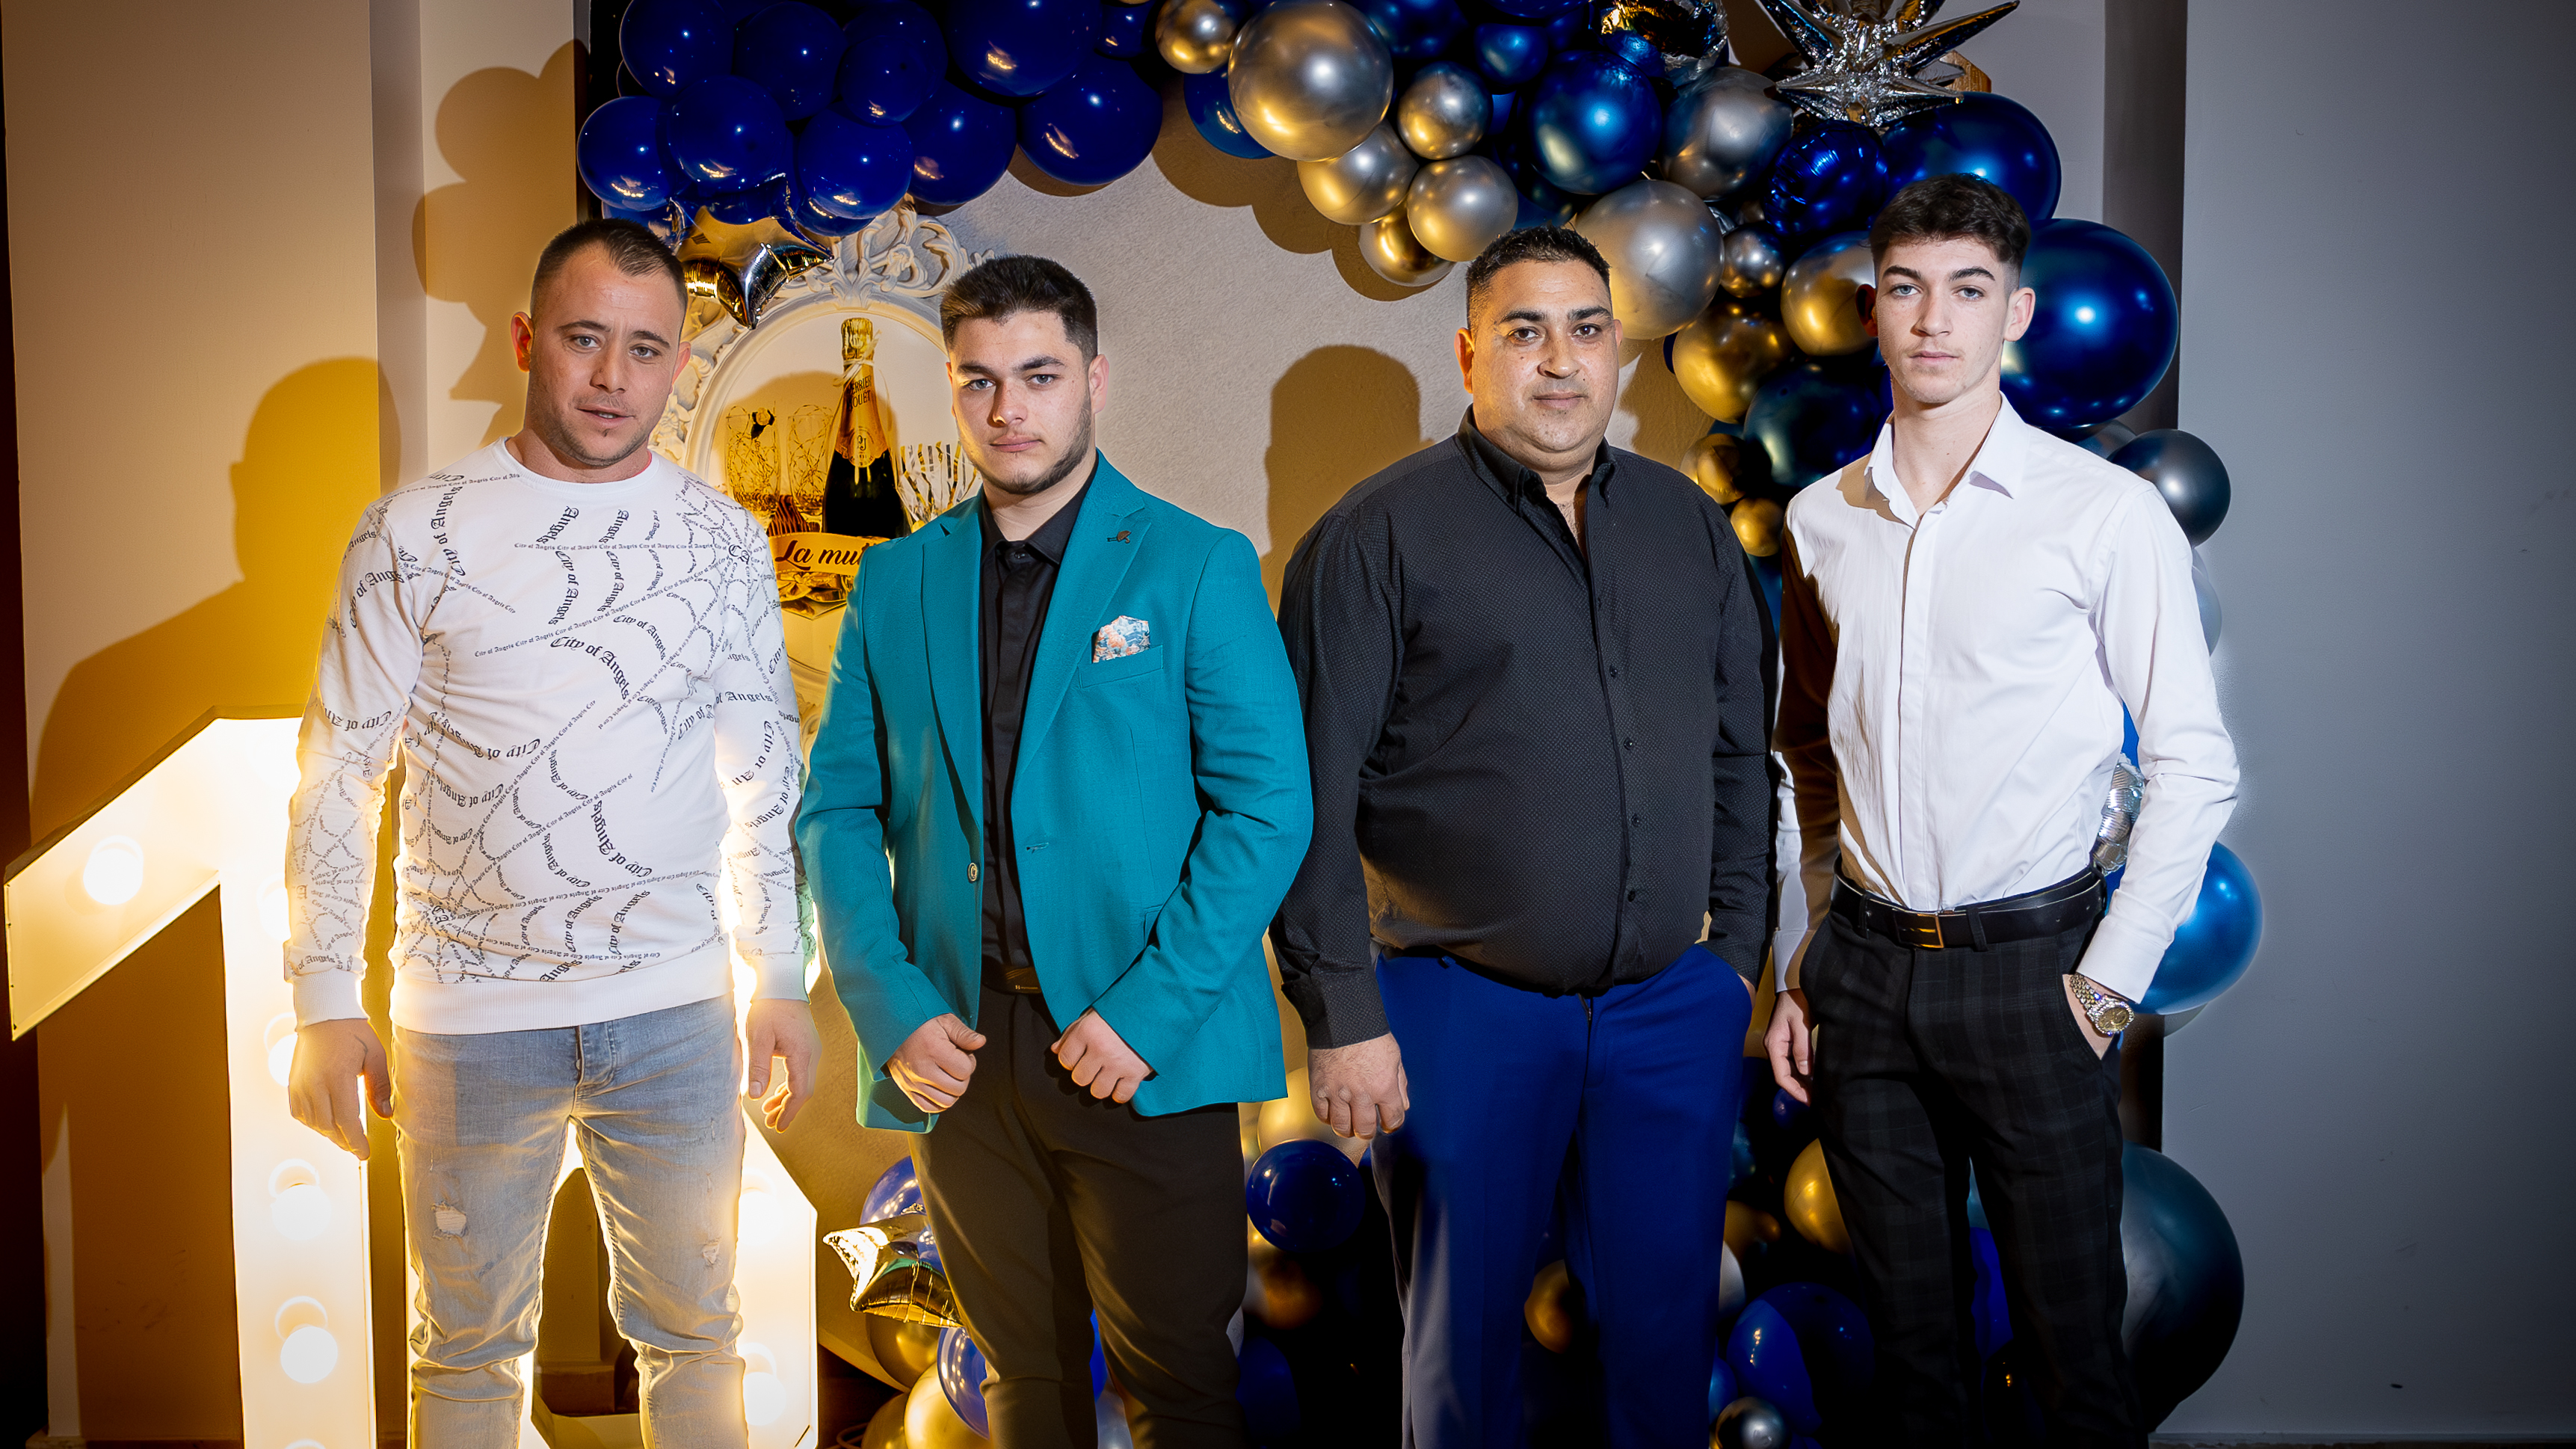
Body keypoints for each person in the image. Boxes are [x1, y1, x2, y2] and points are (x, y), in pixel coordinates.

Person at [282, 218, 820, 1442]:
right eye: (584, 339)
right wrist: (322, 996)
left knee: (698, 1334)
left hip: (677, 1011)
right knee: (466, 1351)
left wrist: (779, 976)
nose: (612, 377)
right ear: (528, 340)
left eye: (645, 348)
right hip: (466, 1019)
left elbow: (762, 771)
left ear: (679, 362)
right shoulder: (412, 530)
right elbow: (338, 772)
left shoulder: (724, 540)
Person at [796, 256, 1312, 1449]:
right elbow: (835, 812)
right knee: (1020, 1381)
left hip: (1139, 1047)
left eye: (1038, 375)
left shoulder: (1192, 563)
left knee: (1181, 1387)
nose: (1007, 409)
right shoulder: (895, 579)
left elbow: (1267, 808)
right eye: (977, 380)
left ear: (1094, 379)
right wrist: (891, 1005)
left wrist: (1146, 1013)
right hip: (958, 1048)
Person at [1271, 227, 1772, 1449]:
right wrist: (1342, 1017)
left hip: (1669, 1006)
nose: (1560, 360)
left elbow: (1735, 753)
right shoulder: (1374, 538)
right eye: (1524, 331)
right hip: (1460, 1008)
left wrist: (1734, 961)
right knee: (1463, 1358)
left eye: (1585, 330)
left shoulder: (1687, 526)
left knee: (1665, 1346)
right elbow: (1305, 798)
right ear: (1468, 355)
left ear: (1617, 352)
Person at [1764, 174, 2239, 1448]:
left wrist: (2108, 984)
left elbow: (2192, 762)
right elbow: (1803, 751)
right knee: (1909, 1360)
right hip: (1863, 977)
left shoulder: (2103, 513)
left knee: (2074, 1356)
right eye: (1906, 288)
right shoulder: (1820, 519)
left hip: (2037, 975)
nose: (1934, 320)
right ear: (1874, 309)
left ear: (2015, 312)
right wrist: (1800, 956)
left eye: (1968, 290)